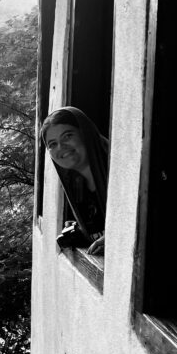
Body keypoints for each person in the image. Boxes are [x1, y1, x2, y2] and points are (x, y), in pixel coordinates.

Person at [40, 106, 108, 255]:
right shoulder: (78, 188)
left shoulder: (118, 173)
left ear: (85, 134)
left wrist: (117, 238)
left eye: (68, 136)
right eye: (52, 144)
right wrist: (82, 231)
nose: (61, 147)